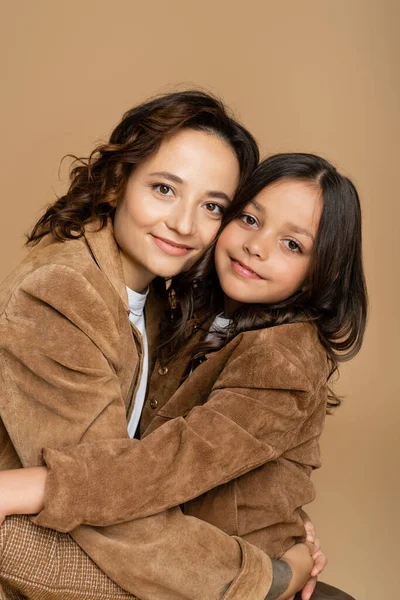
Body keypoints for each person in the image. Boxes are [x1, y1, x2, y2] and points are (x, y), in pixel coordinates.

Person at [0, 152, 366, 600]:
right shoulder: (194, 317)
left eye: (293, 245)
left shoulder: (284, 354)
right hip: (171, 549)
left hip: (220, 568)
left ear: (319, 274)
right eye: (250, 219)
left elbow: (178, 460)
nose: (257, 246)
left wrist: (36, 486)